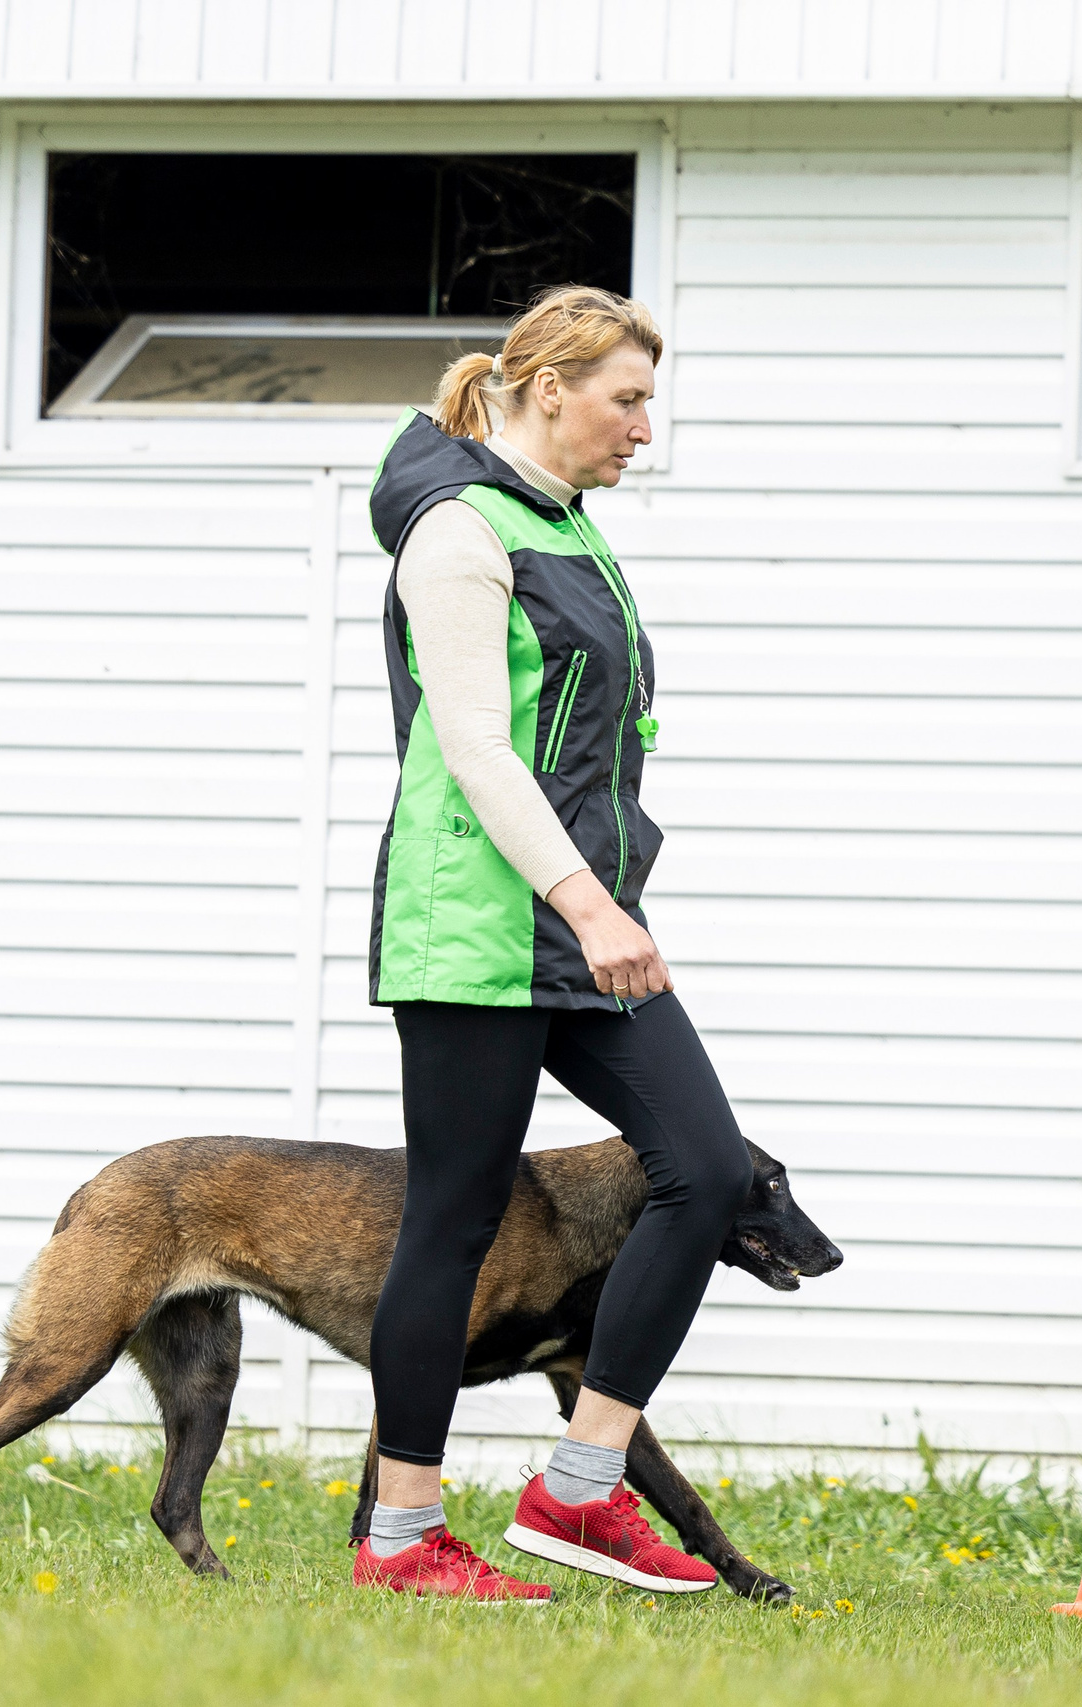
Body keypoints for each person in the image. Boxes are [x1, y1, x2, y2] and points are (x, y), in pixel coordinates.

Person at [352, 286, 755, 1603]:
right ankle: (402, 1541)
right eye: (625, 400)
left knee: (703, 1167)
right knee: (457, 1222)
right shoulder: (460, 531)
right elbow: (473, 744)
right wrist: (590, 903)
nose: (645, 428)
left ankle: (579, 1492)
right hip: (479, 923)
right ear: (543, 393)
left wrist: (600, 902)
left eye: (648, 401)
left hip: (584, 917)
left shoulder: (562, 526)